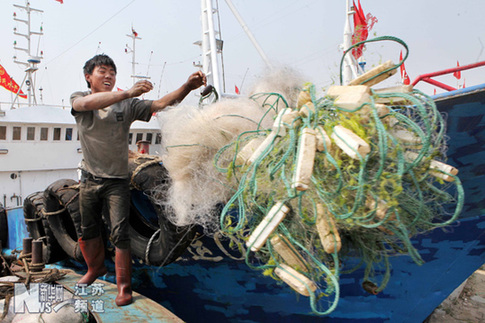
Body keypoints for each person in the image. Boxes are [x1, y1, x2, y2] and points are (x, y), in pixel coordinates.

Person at [70, 54, 206, 306]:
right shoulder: (80, 98)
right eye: (102, 71)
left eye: (112, 72)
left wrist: (187, 87)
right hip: (89, 180)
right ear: (88, 77)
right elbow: (86, 104)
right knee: (87, 229)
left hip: (117, 181)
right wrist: (127, 93)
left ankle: (124, 287)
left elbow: (162, 103)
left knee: (120, 234)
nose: (109, 75)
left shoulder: (127, 106)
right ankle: (94, 269)